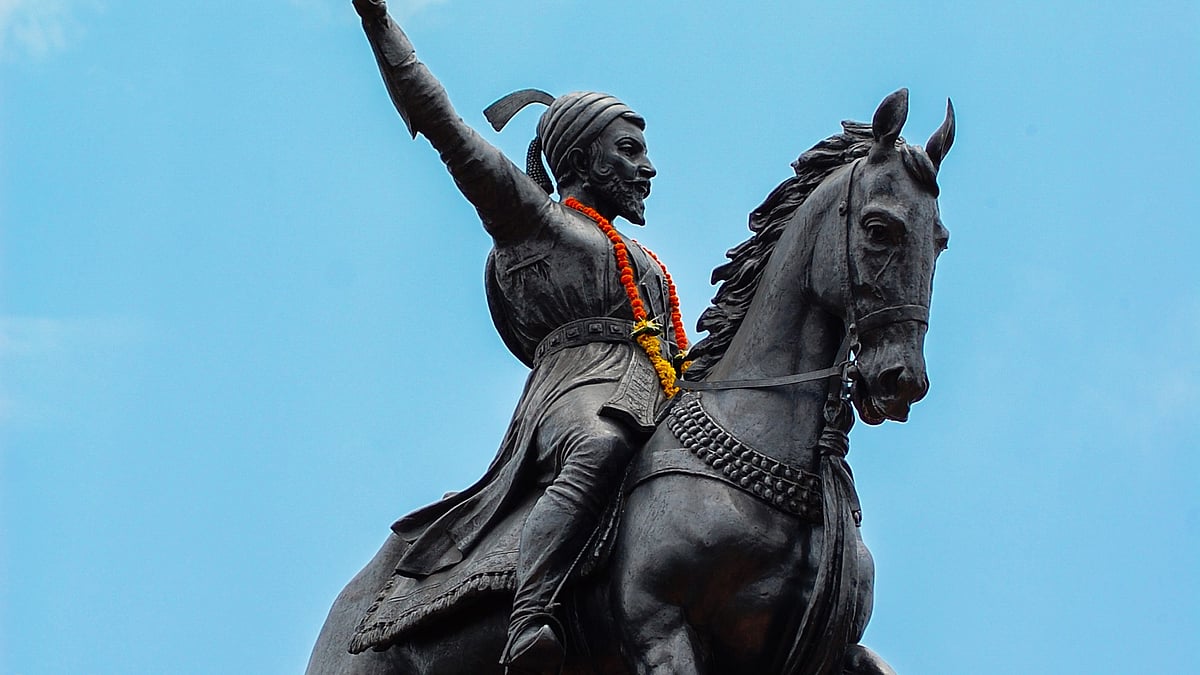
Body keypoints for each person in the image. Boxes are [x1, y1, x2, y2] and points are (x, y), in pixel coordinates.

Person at [352, 1, 690, 672]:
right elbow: (447, 127)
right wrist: (378, 24)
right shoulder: (536, 223)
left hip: (661, 389)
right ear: (585, 159)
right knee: (599, 445)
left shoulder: (646, 263)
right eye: (630, 150)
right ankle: (531, 614)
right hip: (578, 391)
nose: (648, 167)